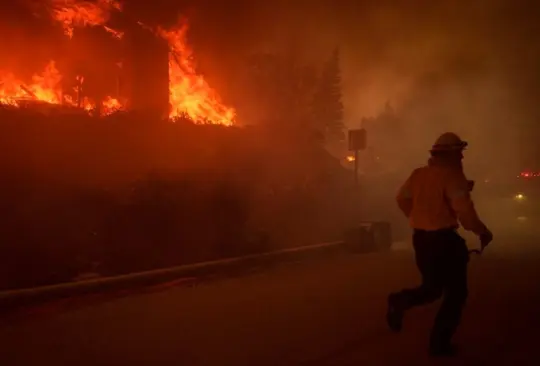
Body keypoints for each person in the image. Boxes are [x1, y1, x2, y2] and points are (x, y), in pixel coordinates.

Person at [387, 132, 493, 357]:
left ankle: (400, 301)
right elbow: (464, 211)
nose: (461, 159)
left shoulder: (419, 175)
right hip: (444, 241)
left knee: (432, 288)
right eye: (459, 154)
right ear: (451, 155)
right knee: (456, 293)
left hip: (421, 239)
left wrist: (417, 217)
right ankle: (439, 343)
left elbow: (401, 198)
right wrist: (482, 232)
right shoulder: (452, 177)